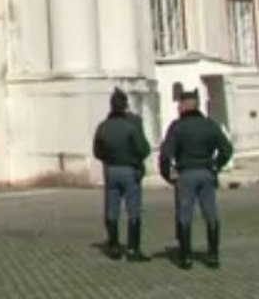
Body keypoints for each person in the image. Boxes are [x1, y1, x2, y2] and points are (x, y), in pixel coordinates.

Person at [159, 89, 234, 269]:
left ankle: (186, 258)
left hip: (186, 174)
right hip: (207, 172)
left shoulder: (177, 127)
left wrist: (167, 175)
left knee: (185, 214)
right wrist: (216, 165)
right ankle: (213, 255)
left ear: (184, 106)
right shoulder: (210, 125)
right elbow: (227, 149)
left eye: (180, 105)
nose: (178, 108)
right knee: (210, 214)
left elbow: (165, 155)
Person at [92, 88, 150, 261]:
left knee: (112, 208)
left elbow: (97, 151)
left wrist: (108, 159)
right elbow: (143, 149)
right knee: (133, 209)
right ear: (125, 106)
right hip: (129, 169)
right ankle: (133, 249)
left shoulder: (103, 127)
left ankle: (114, 246)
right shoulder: (130, 127)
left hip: (111, 170)